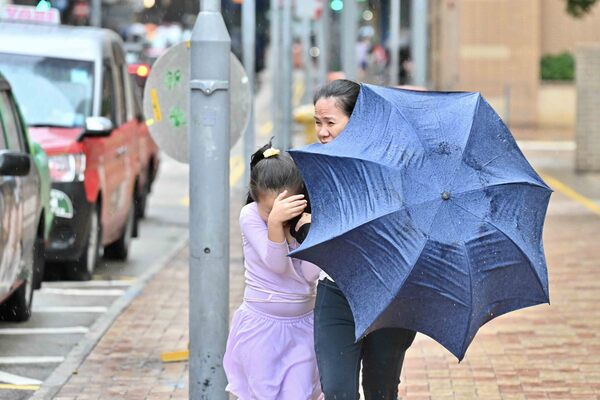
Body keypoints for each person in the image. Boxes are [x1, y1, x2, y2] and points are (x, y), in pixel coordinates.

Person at [294, 79, 417, 400]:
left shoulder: (395, 167)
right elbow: (297, 222)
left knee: (381, 391)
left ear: (357, 121)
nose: (321, 132)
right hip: (335, 294)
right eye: (318, 122)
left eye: (330, 123)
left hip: (389, 296)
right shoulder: (314, 167)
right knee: (336, 390)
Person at [223, 141, 323, 400]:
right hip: (261, 327)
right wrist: (276, 223)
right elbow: (276, 264)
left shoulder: (305, 220)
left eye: (286, 207)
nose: (276, 214)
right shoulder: (250, 216)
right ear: (255, 198)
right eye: (270, 209)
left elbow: (310, 275)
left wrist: (313, 233)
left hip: (302, 326)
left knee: (300, 394)